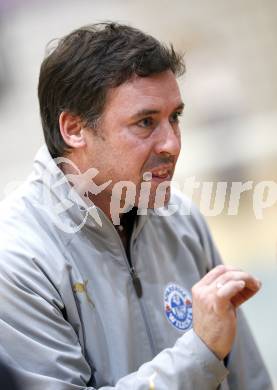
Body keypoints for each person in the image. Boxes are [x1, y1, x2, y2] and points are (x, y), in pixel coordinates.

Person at [0, 22, 272, 389]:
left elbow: (249, 380)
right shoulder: (16, 260)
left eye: (174, 117)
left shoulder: (183, 220)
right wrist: (201, 353)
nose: (172, 144)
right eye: (145, 122)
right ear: (74, 129)